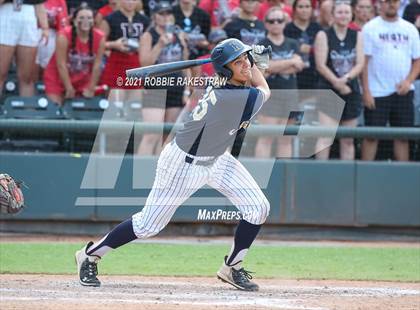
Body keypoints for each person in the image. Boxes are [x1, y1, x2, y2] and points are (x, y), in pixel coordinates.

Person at [75, 38, 271, 292]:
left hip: (217, 158)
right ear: (225, 70)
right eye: (239, 62)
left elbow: (248, 79)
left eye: (246, 59)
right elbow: (264, 90)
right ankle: (89, 255)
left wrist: (248, 60)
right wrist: (257, 64)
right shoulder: (233, 98)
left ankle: (232, 267)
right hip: (183, 164)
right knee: (148, 225)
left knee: (258, 208)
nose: (245, 64)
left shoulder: (222, 83)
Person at [361, 0, 420, 161]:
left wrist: (409, 81)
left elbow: (417, 60)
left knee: (402, 137)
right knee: (371, 136)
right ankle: (365, 177)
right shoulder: (369, 28)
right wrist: (366, 91)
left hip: (403, 91)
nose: (391, 4)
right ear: (380, 4)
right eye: (387, 1)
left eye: (394, 1)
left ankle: (403, 177)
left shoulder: (410, 29)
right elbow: (363, 63)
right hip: (376, 92)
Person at [137, 1, 189, 155]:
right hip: (155, 87)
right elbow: (144, 65)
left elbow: (184, 64)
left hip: (176, 87)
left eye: (168, 13)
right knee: (152, 134)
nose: (165, 17)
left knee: (169, 135)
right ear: (154, 16)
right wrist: (159, 45)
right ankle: (142, 170)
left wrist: (187, 89)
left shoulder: (179, 34)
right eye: (161, 14)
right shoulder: (148, 35)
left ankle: (161, 173)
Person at [314, 0, 364, 160]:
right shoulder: (323, 34)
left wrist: (346, 79)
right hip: (329, 90)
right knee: (325, 137)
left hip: (351, 90)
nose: (343, 15)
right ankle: (320, 179)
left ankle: (347, 180)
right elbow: (320, 65)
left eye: (347, 12)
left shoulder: (357, 35)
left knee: (348, 140)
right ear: (333, 15)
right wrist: (337, 82)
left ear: (351, 15)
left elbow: (360, 63)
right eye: (340, 12)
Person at [255, 7, 305, 158]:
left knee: (286, 139)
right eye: (272, 21)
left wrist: (274, 67)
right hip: (270, 96)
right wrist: (290, 62)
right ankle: (260, 178)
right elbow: (263, 69)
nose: (276, 23)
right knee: (266, 138)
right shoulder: (261, 44)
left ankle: (285, 179)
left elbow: (299, 67)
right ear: (266, 23)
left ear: (285, 23)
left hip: (291, 95)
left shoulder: (293, 43)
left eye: (279, 20)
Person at [43, 4, 105, 105]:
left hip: (83, 78)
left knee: (83, 109)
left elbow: (97, 65)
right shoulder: (64, 36)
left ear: (93, 21)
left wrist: (91, 87)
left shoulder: (99, 37)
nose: (86, 21)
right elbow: (61, 64)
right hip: (57, 76)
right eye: (81, 17)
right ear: (75, 21)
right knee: (55, 107)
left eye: (89, 18)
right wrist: (68, 87)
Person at [0, 0, 49, 96]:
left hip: (29, 15)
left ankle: (27, 109)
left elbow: (39, 3)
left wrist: (45, 27)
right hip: (6, 12)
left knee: (27, 76)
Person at [99, 0, 150, 89]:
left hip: (136, 63)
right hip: (116, 62)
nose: (130, 2)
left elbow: (150, 43)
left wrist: (142, 47)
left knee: (135, 100)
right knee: (114, 98)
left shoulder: (144, 20)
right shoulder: (110, 18)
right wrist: (114, 45)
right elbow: (98, 43)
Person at [284, 0, 322, 90]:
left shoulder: (317, 28)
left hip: (314, 75)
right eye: (300, 7)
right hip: (294, 75)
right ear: (294, 9)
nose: (304, 10)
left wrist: (312, 49)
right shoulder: (287, 29)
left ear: (311, 9)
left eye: (307, 7)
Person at [34, 0, 68, 81]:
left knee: (51, 42)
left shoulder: (60, 1)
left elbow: (63, 25)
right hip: (32, 31)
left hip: (51, 34)